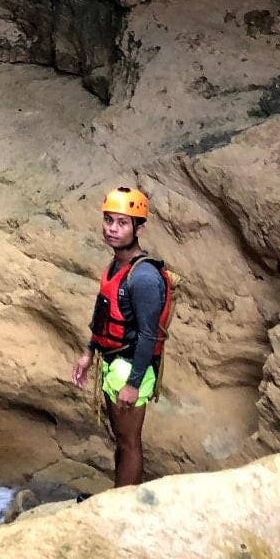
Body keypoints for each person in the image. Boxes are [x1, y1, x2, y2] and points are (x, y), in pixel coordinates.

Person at [70, 185, 174, 488]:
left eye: (122, 222)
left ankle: (123, 504)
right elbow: (103, 310)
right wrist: (89, 353)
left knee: (129, 444)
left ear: (139, 227)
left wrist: (133, 383)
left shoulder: (143, 277)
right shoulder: (117, 264)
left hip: (130, 367)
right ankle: (118, 495)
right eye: (109, 220)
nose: (112, 229)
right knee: (121, 440)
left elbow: (148, 334)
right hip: (113, 361)